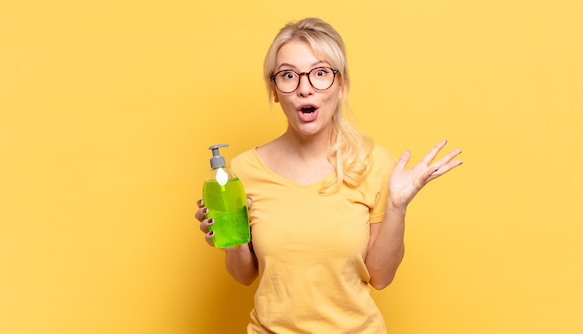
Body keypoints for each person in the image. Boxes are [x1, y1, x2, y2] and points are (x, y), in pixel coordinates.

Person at [195, 17, 462, 333]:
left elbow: (381, 276)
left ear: (341, 85)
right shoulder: (241, 172)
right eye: (288, 76)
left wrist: (396, 208)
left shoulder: (374, 163)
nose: (304, 88)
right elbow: (243, 275)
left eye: (320, 73)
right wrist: (231, 240)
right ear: (275, 91)